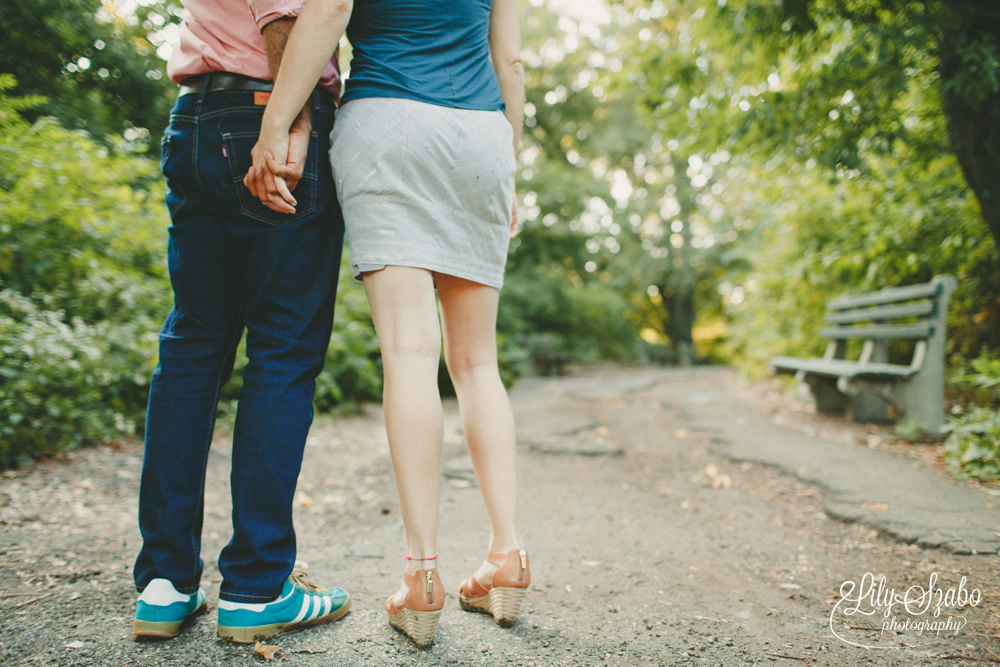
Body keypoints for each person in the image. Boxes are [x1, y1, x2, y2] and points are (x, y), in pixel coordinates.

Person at [245, 0, 529, 649]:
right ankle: (507, 554)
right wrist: (507, 161)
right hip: (482, 134)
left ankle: (421, 576)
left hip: (389, 125)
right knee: (477, 362)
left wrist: (277, 124)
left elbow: (328, 11)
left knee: (408, 351)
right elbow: (508, 60)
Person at [132, 0, 351, 643]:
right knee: (283, 350)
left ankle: (165, 584)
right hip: (266, 110)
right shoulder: (285, 109)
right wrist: (295, 120)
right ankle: (256, 589)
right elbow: (284, 17)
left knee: (193, 345)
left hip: (197, 113)